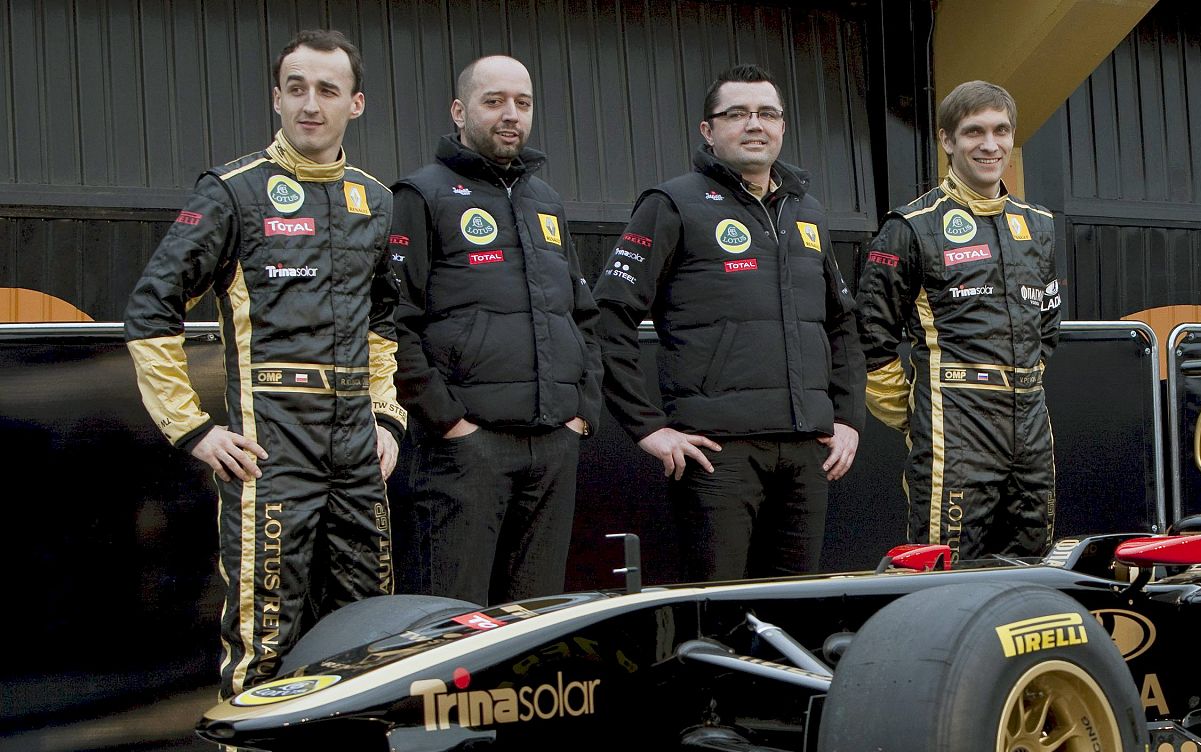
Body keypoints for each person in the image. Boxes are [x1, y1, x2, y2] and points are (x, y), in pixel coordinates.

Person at [125, 29, 405, 709]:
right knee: (264, 639)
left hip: (356, 456)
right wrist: (191, 431)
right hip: (271, 455)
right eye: (297, 88)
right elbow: (150, 305)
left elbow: (381, 324)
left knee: (373, 637)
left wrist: (386, 418)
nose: (312, 104)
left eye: (328, 90)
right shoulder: (232, 191)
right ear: (277, 98)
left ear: (356, 103)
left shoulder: (375, 200)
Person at [593, 64, 864, 582]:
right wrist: (648, 428)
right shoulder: (672, 204)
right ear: (708, 131)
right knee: (718, 612)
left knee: (798, 610)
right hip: (718, 455)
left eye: (767, 113)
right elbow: (608, 314)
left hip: (809, 450)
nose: (754, 125)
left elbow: (842, 324)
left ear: (783, 126)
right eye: (736, 114)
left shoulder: (807, 213)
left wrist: (848, 417)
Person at [388, 56, 600, 605]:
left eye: (522, 103)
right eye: (494, 101)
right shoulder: (421, 195)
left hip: (553, 444)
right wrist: (449, 421)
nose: (511, 115)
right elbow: (393, 318)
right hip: (465, 451)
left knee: (533, 622)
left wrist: (582, 411)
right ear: (459, 111)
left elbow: (580, 313)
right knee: (449, 626)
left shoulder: (545, 201)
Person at [855, 81, 1062, 563]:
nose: (990, 145)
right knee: (944, 571)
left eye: (1000, 131)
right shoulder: (911, 226)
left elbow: (1046, 328)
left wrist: (1018, 388)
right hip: (956, 428)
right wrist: (918, 415)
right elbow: (869, 336)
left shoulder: (1038, 224)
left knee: (1033, 567)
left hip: (1031, 425)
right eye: (974, 132)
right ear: (947, 140)